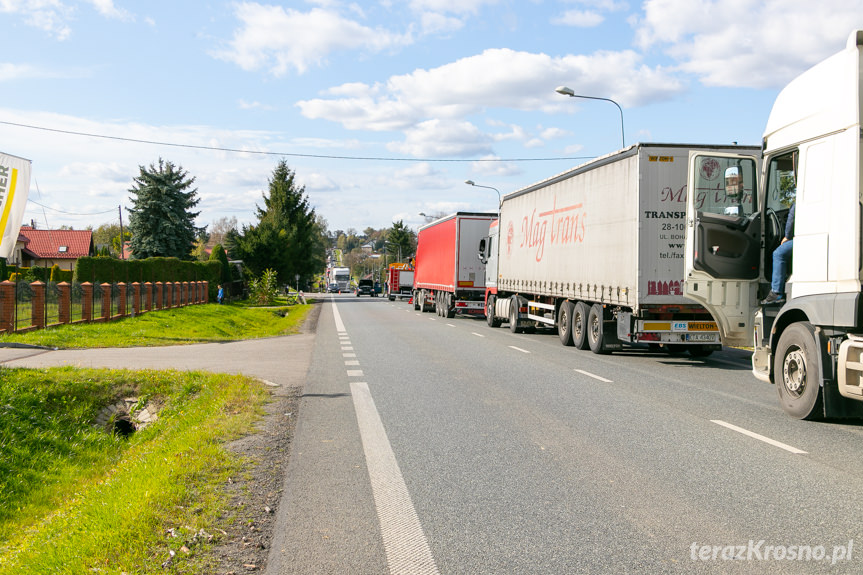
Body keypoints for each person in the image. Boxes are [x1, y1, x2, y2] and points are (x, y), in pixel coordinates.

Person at [762, 203, 795, 304]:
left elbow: (791, 220)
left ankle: (776, 292)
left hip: (804, 238)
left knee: (778, 254)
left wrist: (787, 237)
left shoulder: (798, 202)